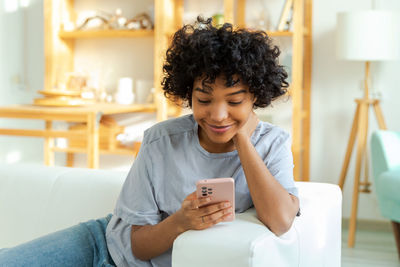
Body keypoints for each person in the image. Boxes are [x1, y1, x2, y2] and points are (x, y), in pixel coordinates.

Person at [0, 17, 299, 267]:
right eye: (203, 100)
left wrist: (244, 141)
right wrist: (181, 221)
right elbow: (137, 246)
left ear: (255, 97)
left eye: (234, 101)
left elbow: (281, 220)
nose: (218, 115)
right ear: (188, 95)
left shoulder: (272, 144)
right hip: (101, 248)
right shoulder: (161, 140)